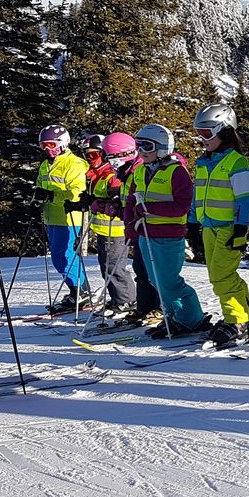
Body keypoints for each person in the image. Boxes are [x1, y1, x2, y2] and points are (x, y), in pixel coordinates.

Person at [124, 123, 210, 338]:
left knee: (169, 281)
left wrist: (148, 209)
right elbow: (132, 200)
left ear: (162, 148)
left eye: (147, 146)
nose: (141, 151)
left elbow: (182, 205)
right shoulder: (140, 171)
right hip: (146, 234)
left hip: (168, 235)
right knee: (155, 281)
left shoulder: (176, 172)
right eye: (138, 146)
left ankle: (192, 319)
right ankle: (173, 316)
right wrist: (130, 225)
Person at [190, 104, 249, 347]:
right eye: (198, 133)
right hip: (208, 226)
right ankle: (242, 316)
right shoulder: (203, 162)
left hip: (229, 227)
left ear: (225, 131)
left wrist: (241, 228)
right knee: (217, 275)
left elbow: (244, 197)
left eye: (207, 134)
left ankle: (237, 320)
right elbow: (196, 194)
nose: (202, 139)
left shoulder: (236, 162)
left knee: (222, 275)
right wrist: (192, 222)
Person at [69, 134, 136, 318]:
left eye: (94, 155)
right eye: (86, 155)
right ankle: (119, 298)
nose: (90, 159)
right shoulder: (94, 174)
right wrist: (83, 202)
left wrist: (96, 201)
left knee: (113, 266)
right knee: (105, 265)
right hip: (102, 228)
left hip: (115, 227)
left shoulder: (111, 173)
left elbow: (116, 199)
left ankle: (125, 300)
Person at [103, 132, 162, 327]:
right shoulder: (126, 172)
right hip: (135, 230)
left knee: (152, 271)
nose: (109, 162)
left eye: (111, 156)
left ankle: (160, 308)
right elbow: (127, 202)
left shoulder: (138, 171)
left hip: (149, 229)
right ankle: (144, 308)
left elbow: (141, 201)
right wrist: (113, 206)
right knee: (140, 270)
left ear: (124, 154)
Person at [36, 124, 91, 314]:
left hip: (69, 217)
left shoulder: (74, 164)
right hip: (52, 216)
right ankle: (77, 291)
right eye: (43, 145)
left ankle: (81, 291)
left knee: (63, 256)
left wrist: (53, 196)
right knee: (59, 256)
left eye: (51, 144)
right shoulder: (45, 165)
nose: (47, 149)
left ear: (63, 143)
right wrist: (37, 200)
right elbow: (40, 188)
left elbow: (77, 192)